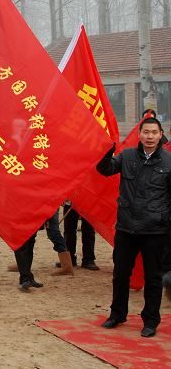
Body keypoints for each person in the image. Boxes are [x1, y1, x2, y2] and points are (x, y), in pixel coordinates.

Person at [97, 117, 171, 338]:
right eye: (146, 132)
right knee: (120, 275)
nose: (149, 137)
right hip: (127, 228)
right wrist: (105, 151)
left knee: (153, 278)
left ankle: (150, 321)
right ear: (139, 134)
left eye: (153, 133)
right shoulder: (127, 156)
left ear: (160, 135)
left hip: (155, 231)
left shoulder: (168, 162)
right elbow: (105, 169)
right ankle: (117, 314)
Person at [61, 202, 99, 270]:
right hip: (70, 201)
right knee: (69, 231)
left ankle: (88, 259)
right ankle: (69, 259)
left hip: (88, 201)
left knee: (89, 230)